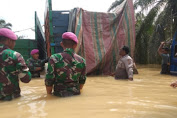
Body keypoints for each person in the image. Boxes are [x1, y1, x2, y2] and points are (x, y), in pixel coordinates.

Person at [45, 32, 86, 97]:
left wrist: (49, 95)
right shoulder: (82, 60)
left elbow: (49, 79)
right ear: (75, 45)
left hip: (59, 95)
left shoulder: (54, 58)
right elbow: (82, 80)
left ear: (61, 44)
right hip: (76, 94)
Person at [0, 28, 31, 101]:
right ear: (9, 41)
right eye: (14, 42)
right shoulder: (14, 55)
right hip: (9, 98)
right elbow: (26, 79)